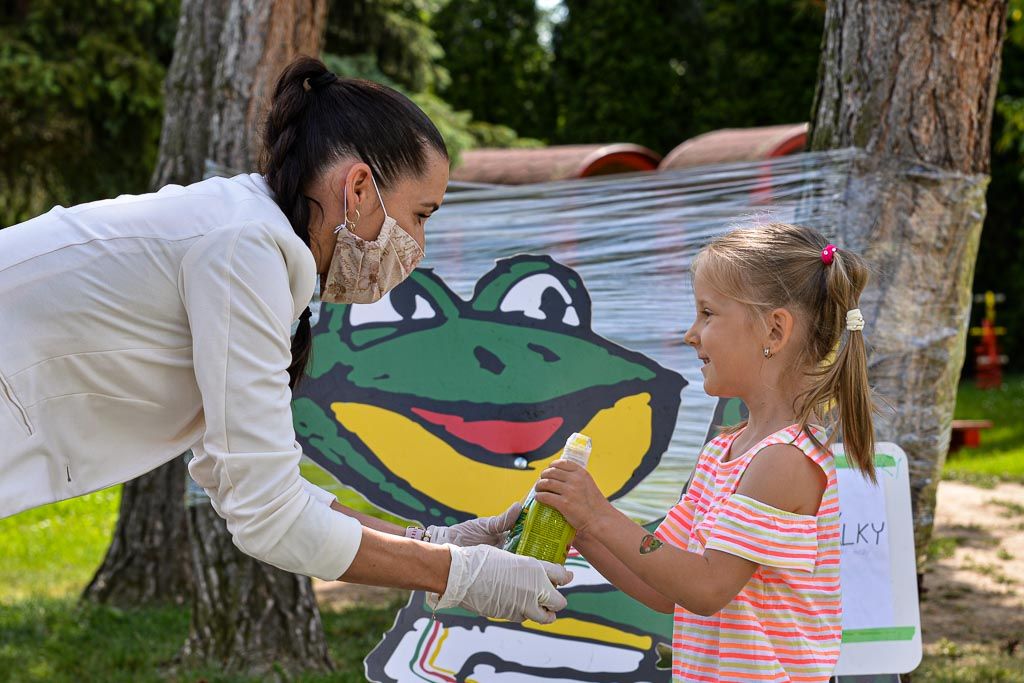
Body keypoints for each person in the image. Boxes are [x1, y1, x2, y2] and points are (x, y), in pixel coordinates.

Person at [0, 56, 569, 624]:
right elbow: (269, 516)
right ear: (360, 187)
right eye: (421, 215)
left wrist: (433, 541)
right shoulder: (243, 248)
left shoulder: (252, 241)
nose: (418, 244)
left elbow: (249, 485)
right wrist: (456, 574)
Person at [536, 223, 877, 681]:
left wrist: (597, 514)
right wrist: (581, 528)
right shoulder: (724, 452)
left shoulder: (785, 460)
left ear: (774, 331)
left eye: (707, 313)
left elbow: (707, 586)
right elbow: (665, 586)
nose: (690, 334)